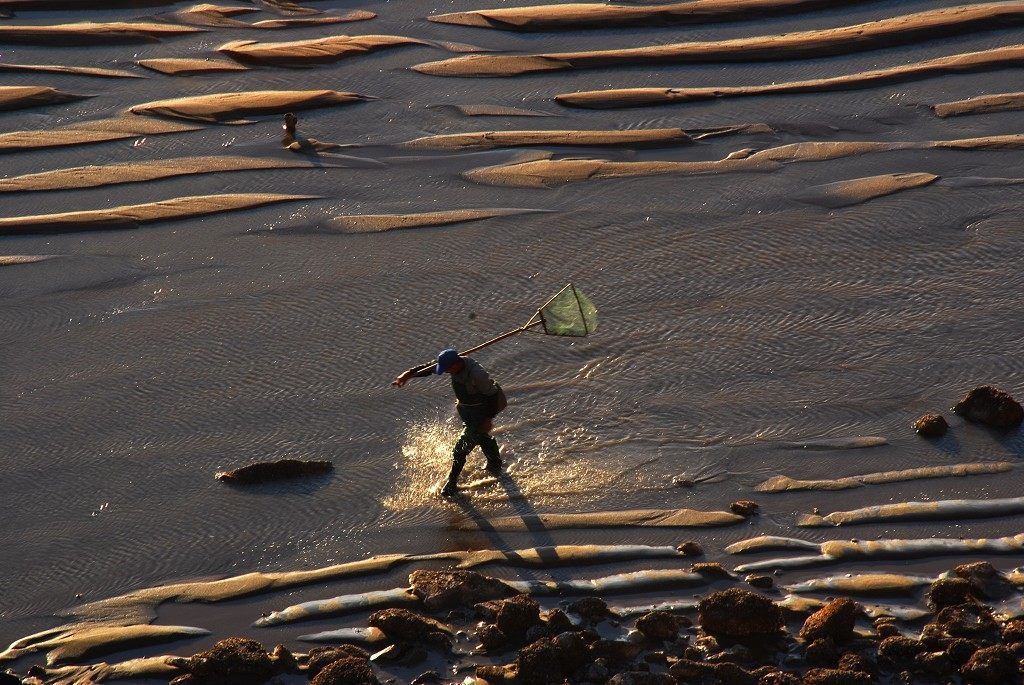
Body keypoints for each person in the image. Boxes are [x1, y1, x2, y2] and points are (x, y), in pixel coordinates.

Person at [393, 349, 506, 497]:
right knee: (482, 437)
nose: (445, 372)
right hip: (467, 409)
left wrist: (488, 419)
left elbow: (492, 395)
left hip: (481, 411)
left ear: (456, 364)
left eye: (447, 369)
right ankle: (495, 463)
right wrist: (407, 375)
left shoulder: (477, 375)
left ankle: (452, 483)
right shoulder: (450, 364)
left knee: (460, 450)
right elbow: (428, 368)